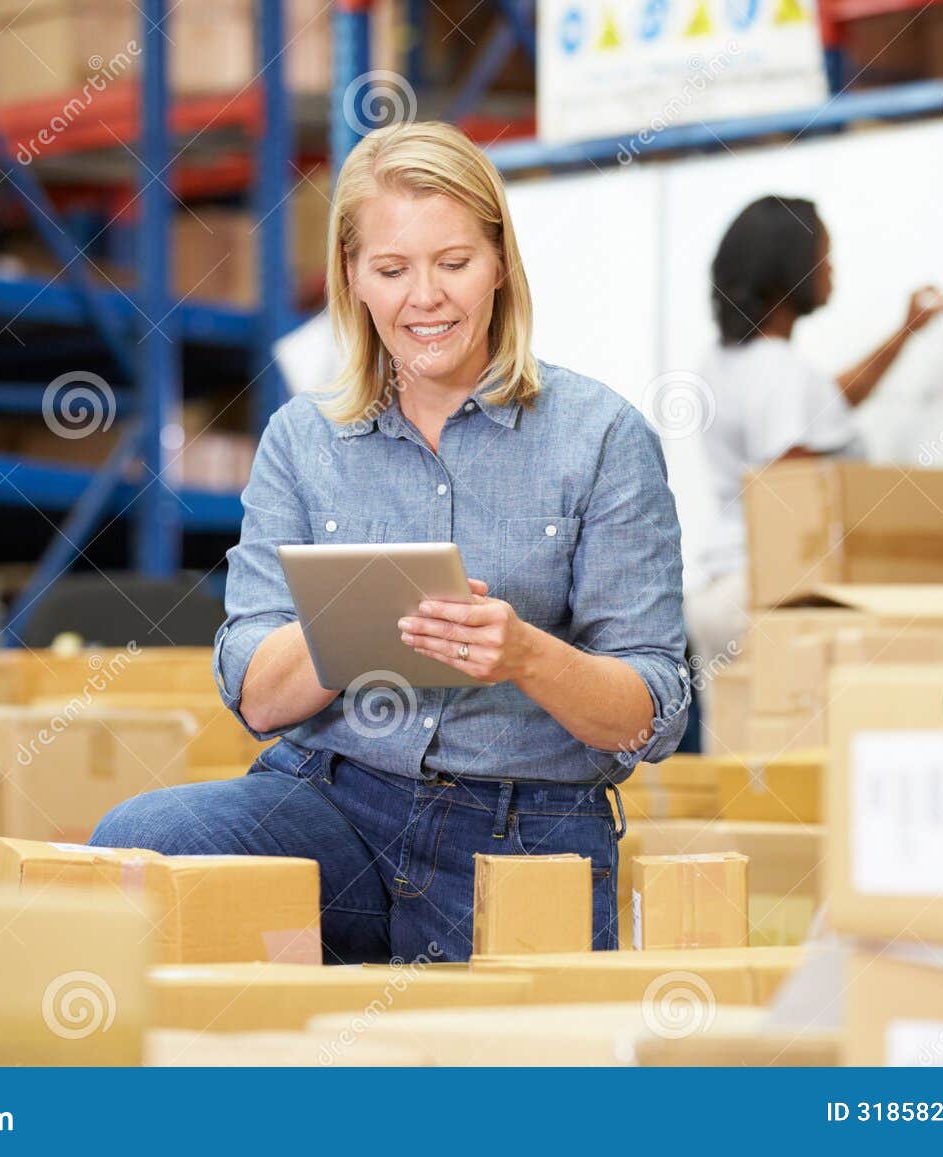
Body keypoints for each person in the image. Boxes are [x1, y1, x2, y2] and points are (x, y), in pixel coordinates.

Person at [92, 121, 691, 964]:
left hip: (525, 828)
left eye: (454, 263)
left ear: (500, 266)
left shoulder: (602, 437)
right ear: (352, 278)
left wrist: (525, 655)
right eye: (391, 270)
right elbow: (255, 694)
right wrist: (349, 626)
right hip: (332, 804)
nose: (426, 298)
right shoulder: (303, 440)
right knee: (138, 841)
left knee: (493, 1072)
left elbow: (652, 712)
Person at [685, 195, 943, 669]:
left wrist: (906, 332)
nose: (832, 270)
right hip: (772, 599)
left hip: (726, 591)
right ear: (790, 268)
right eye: (824, 256)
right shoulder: (780, 372)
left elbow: (831, 400)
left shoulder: (728, 360)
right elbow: (794, 504)